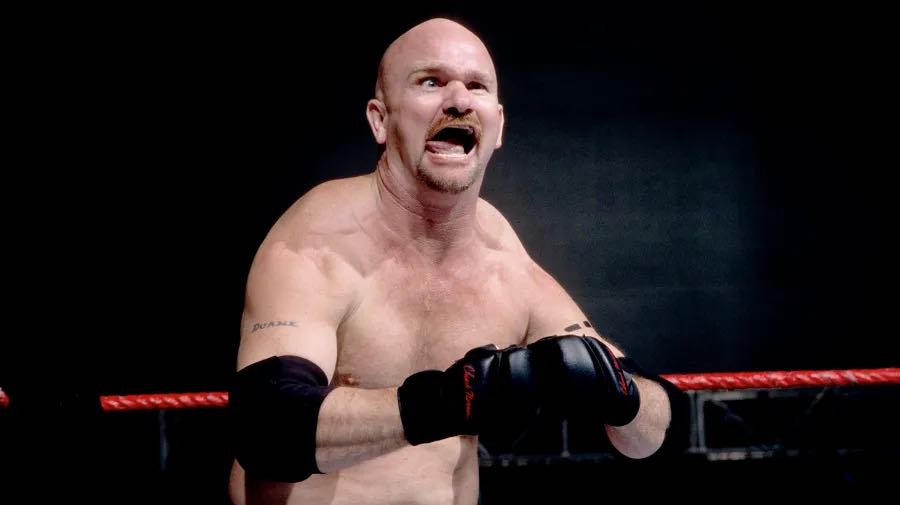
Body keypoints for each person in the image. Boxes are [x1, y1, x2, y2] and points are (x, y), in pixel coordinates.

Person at [228, 17, 684, 505]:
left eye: (477, 86)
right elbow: (266, 430)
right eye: (430, 81)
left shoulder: (504, 264)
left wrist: (621, 395)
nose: (459, 100)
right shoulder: (319, 242)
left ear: (498, 126)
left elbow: (657, 438)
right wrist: (444, 403)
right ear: (380, 120)